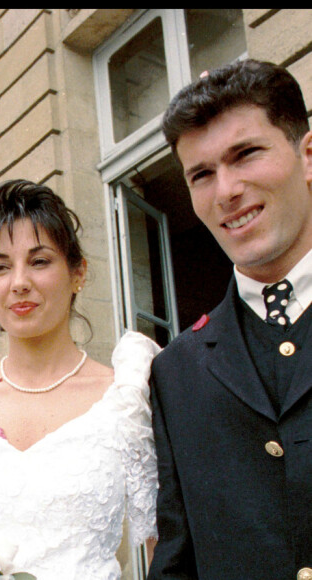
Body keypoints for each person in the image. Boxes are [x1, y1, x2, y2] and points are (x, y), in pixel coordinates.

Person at [0, 179, 161, 579]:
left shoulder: (127, 401)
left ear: (77, 273)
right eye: (0, 267)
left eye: (39, 261)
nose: (19, 282)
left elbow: (164, 548)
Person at [148, 59, 312, 580]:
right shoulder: (176, 370)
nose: (226, 191)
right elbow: (179, 561)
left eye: (245, 155)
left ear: (308, 155)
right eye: (201, 174)